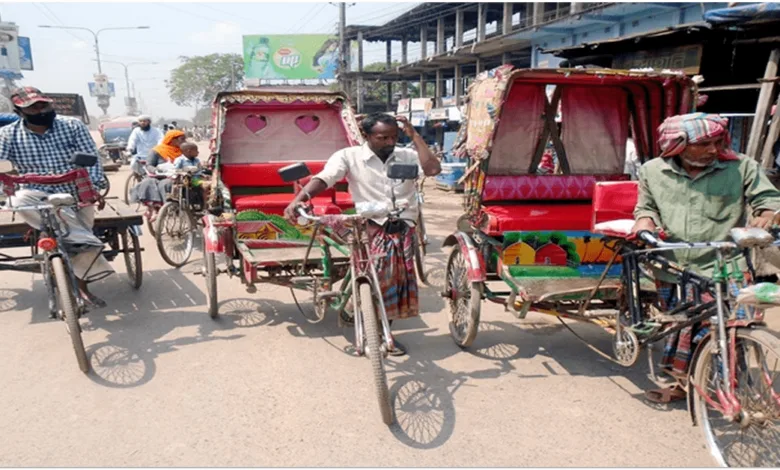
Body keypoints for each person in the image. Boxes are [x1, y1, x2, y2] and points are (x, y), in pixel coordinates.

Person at [631, 112, 780, 403]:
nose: (714, 149)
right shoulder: (652, 171)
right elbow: (645, 207)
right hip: (673, 264)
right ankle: (682, 384)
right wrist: (645, 221)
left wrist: (766, 214)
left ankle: (736, 389)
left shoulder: (742, 167)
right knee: (681, 330)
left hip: (727, 262)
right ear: (678, 146)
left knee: (738, 325)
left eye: (717, 142)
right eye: (705, 144)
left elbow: (769, 200)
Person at [283, 113, 442, 356]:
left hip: (403, 223)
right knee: (377, 274)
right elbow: (326, 178)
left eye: (394, 136)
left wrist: (414, 135)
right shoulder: (348, 156)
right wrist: (299, 199)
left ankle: (384, 330)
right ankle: (371, 323)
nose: (389, 141)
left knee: (396, 281)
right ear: (366, 136)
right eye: (382, 137)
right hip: (368, 223)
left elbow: (432, 169)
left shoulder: (408, 155)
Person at [0, 87, 113, 307]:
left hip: (74, 191)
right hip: (35, 194)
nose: (41, 109)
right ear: (20, 111)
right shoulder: (7, 134)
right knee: (17, 199)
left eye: (44, 104)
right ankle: (78, 240)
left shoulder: (72, 126)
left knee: (75, 238)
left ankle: (82, 288)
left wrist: (95, 186)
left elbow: (92, 158)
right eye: (34, 107)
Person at [130, 130, 186, 221]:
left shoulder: (184, 150)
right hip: (157, 175)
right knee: (147, 182)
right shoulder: (157, 150)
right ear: (172, 140)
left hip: (174, 176)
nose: (184, 141)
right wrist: (156, 170)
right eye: (182, 139)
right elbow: (149, 165)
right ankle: (154, 208)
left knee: (165, 184)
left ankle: (163, 208)